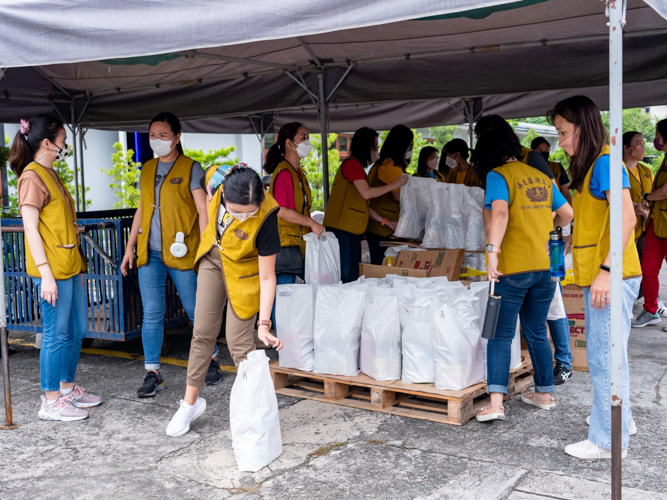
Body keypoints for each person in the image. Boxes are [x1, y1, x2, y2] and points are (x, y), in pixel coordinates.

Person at [548, 95, 641, 459]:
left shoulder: (604, 162)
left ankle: (607, 441)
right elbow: (601, 219)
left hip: (610, 276)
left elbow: (627, 219)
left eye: (564, 132)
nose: (561, 141)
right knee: (611, 354)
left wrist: (605, 271)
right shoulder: (593, 166)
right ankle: (621, 420)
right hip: (605, 273)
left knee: (604, 358)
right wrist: (575, 239)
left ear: (583, 129)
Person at [166, 165, 283, 436]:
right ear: (221, 193)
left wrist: (264, 324)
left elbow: (267, 277)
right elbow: (206, 199)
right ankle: (189, 405)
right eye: (236, 211)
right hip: (213, 259)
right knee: (203, 332)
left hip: (245, 272)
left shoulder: (267, 218)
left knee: (238, 341)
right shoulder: (215, 178)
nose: (243, 217)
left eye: (249, 212)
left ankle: (255, 415)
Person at [474, 128, 573, 424]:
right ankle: (544, 393)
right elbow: (567, 213)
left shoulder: (498, 176)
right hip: (546, 267)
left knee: (500, 334)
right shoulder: (540, 177)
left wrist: (491, 253)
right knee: (536, 331)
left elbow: (500, 214)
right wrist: (544, 224)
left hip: (512, 267)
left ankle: (495, 404)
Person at [120, 112, 220, 398]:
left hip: (184, 251)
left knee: (194, 309)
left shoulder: (191, 168)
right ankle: (152, 372)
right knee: (151, 313)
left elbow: (203, 210)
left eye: (163, 135)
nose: (157, 140)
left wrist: (205, 249)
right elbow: (142, 208)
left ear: (177, 138)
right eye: (153, 135)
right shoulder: (147, 168)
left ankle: (211, 358)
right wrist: (130, 247)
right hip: (149, 253)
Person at [11, 114, 101, 421]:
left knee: (76, 330)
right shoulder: (31, 177)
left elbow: (53, 222)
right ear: (47, 143)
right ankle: (50, 401)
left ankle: (67, 388)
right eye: (62, 142)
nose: (65, 146)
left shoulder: (50, 172)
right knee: (55, 334)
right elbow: (31, 230)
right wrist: (45, 275)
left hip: (69, 266)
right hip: (52, 272)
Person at [322, 127, 409, 282]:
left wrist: (385, 221)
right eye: (375, 147)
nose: (377, 150)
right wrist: (393, 184)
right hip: (342, 229)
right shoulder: (352, 165)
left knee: (353, 275)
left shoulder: (360, 169)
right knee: (345, 275)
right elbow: (367, 193)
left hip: (352, 229)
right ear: (365, 146)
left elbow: (363, 205)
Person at [264, 122, 324, 330]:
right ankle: (282, 339)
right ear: (289, 143)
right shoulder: (284, 173)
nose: (307, 142)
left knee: (292, 295)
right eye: (303, 138)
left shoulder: (298, 172)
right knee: (284, 295)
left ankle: (289, 338)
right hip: (284, 244)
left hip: (296, 243)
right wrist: (311, 223)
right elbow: (280, 210)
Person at [529, 136, 574, 384]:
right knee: (549, 309)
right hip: (540, 249)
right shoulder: (542, 180)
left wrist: (559, 235)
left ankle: (565, 363)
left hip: (550, 249)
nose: (545, 154)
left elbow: (566, 211)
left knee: (555, 309)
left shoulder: (547, 182)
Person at [634, 119, 667, 328]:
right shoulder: (664, 159)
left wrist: (647, 197)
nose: (655, 140)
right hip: (657, 223)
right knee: (647, 269)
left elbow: (664, 191)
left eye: (657, 135)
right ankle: (650, 310)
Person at [365, 125, 414, 264]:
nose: (410, 149)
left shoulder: (393, 165)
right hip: (384, 228)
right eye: (409, 145)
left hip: (386, 227)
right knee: (383, 272)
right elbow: (399, 197)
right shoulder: (388, 166)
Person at [474, 115, 555, 184]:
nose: (481, 146)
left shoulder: (531, 157)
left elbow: (554, 191)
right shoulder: (488, 164)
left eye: (484, 140)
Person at [622, 131, 653, 302]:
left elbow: (653, 197)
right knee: (627, 268)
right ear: (627, 148)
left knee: (645, 269)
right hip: (628, 229)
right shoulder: (618, 169)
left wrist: (646, 209)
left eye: (643, 143)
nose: (643, 147)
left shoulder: (646, 171)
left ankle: (641, 299)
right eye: (639, 143)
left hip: (646, 227)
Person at [531, 136, 573, 205]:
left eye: (546, 150)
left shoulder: (557, 167)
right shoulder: (527, 168)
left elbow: (567, 193)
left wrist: (571, 212)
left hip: (556, 207)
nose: (544, 152)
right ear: (532, 152)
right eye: (540, 150)